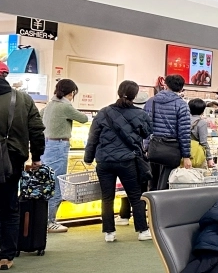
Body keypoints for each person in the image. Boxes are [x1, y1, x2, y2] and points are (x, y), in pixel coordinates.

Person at [84, 80, 153, 243]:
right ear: (135, 95)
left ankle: (109, 232)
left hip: (104, 162)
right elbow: (147, 133)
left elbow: (92, 138)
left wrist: (88, 158)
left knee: (107, 197)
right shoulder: (140, 114)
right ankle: (142, 230)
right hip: (127, 160)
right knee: (135, 196)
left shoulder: (103, 112)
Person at [0, 62, 45, 271]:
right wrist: (36, 158)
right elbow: (36, 130)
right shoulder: (23, 99)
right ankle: (6, 256)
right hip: (12, 158)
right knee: (9, 206)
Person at [40, 78, 88, 233]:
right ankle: (50, 221)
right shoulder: (65, 106)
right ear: (72, 92)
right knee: (57, 184)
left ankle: (42, 220)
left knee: (46, 183)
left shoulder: (50, 105)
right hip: (59, 146)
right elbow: (84, 119)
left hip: (47, 145)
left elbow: (38, 116)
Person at [144, 74, 192, 191]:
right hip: (171, 149)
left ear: (165, 85)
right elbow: (184, 132)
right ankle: (162, 208)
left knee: (152, 183)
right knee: (166, 184)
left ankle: (151, 208)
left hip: (153, 146)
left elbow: (145, 126)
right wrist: (186, 156)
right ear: (181, 88)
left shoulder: (151, 101)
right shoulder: (181, 105)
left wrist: (145, 147)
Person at [187, 99, 213, 169]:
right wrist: (209, 158)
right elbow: (203, 142)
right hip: (196, 154)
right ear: (202, 110)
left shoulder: (183, 120)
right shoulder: (202, 122)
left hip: (182, 153)